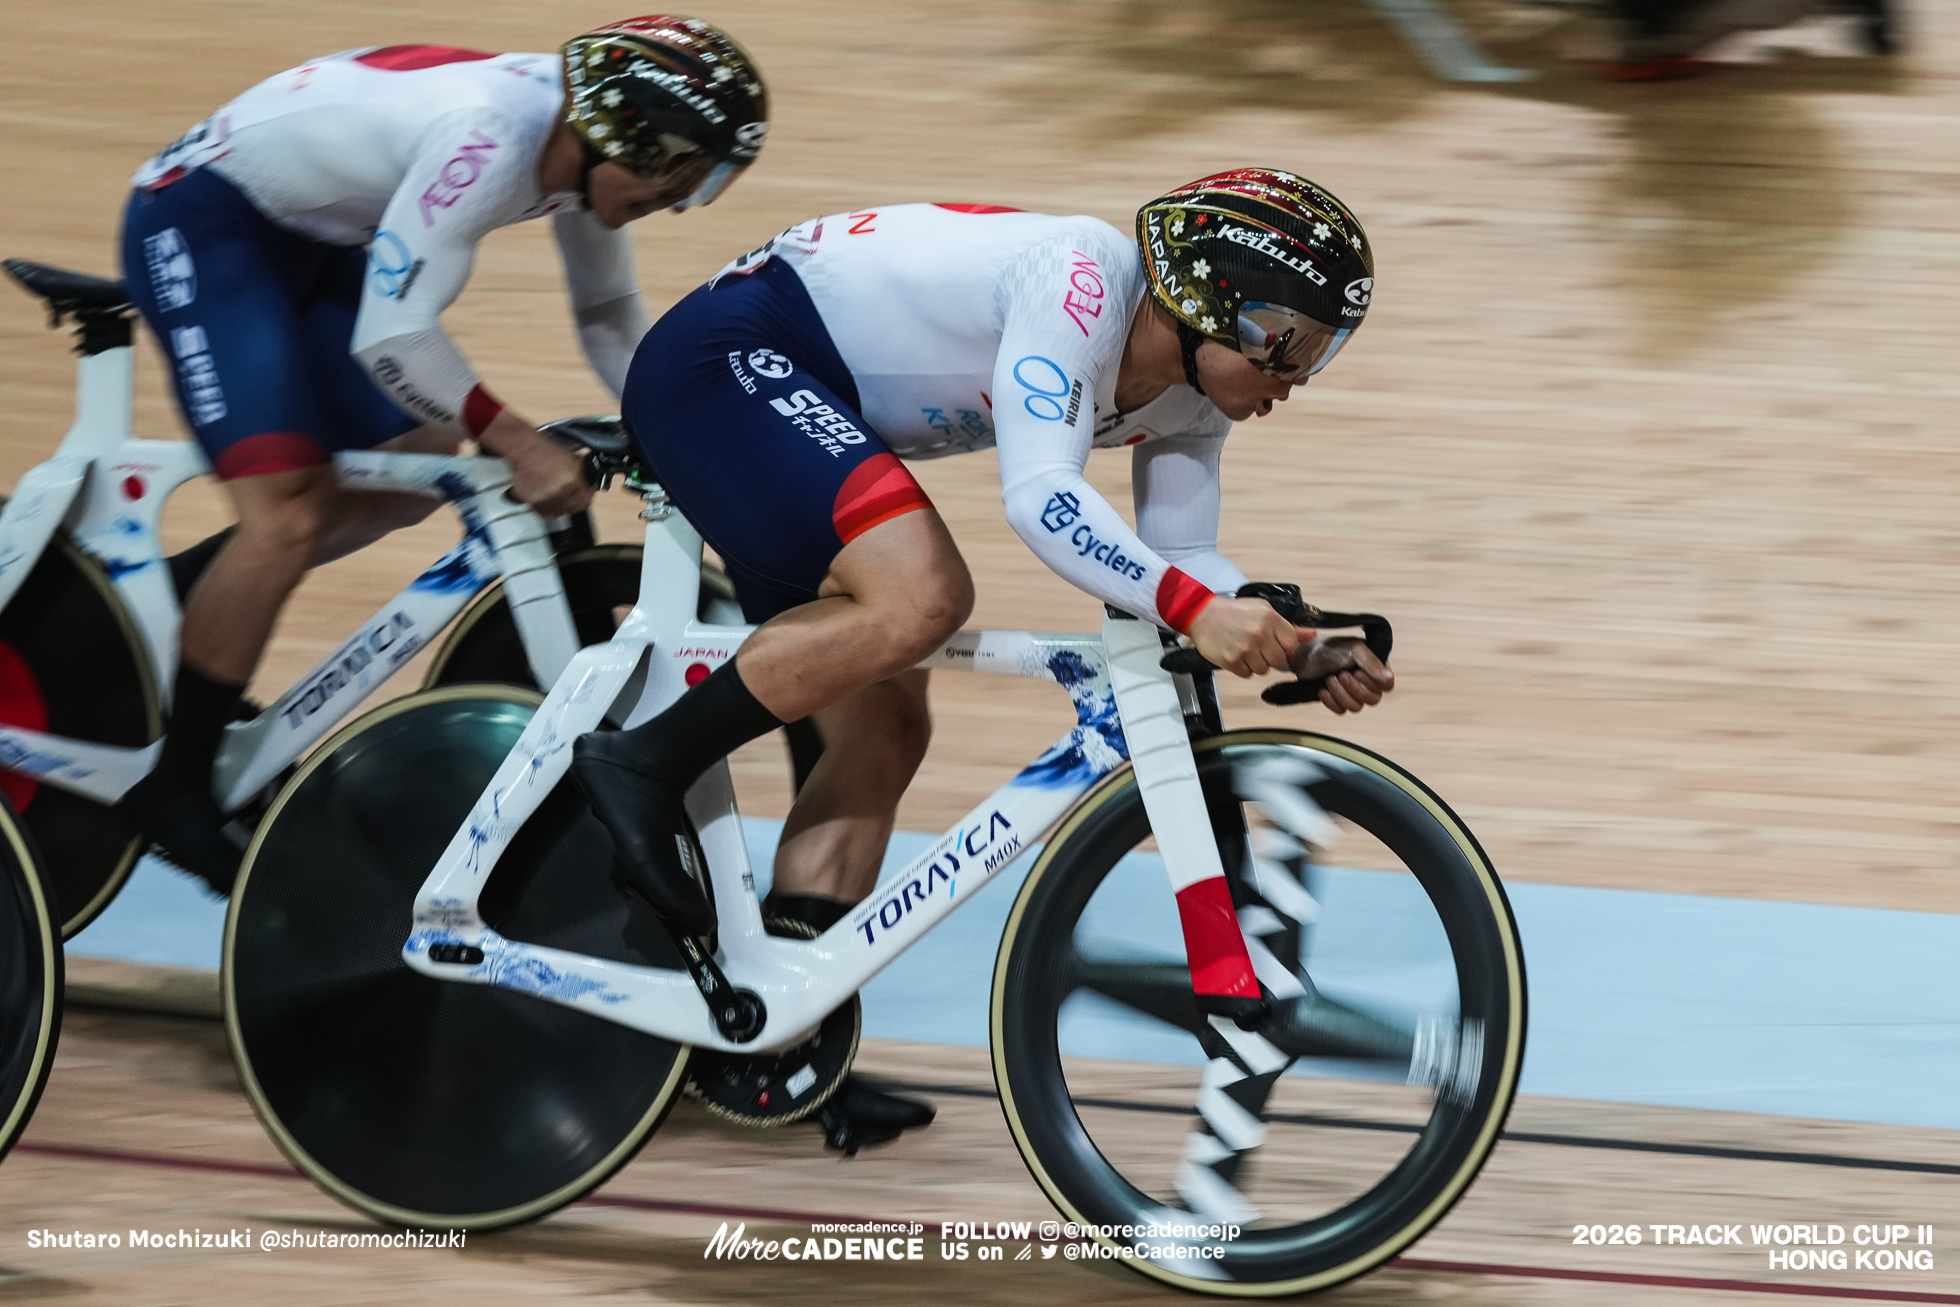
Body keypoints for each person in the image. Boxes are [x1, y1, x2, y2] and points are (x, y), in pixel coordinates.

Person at [570, 169, 1397, 1150]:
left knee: (882, 727)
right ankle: (641, 762)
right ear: (1210, 296)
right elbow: (1041, 497)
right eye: (1289, 343)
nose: (1295, 377)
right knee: (924, 597)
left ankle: (775, 1030)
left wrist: (1296, 634)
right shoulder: (1080, 280)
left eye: (1320, 352)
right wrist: (1196, 606)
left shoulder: (1192, 397)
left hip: (808, 410)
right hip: (730, 359)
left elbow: (1178, 569)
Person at [114, 17, 769, 892]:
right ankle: (177, 786)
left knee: (420, 465)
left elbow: (608, 313)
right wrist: (518, 439)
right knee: (289, 514)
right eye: (681, 172)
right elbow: (393, 339)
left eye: (708, 180)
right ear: (625, 131)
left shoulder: (581, 148)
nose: (684, 199)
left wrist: (687, 429)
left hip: (318, 236)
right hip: (206, 223)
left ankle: (165, 620)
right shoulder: (492, 141)